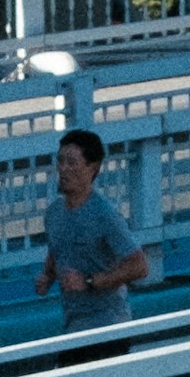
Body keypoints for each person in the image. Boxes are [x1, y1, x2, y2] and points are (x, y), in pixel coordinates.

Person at [38, 125, 155, 330]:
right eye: (61, 161)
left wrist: (89, 281)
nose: (63, 169)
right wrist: (47, 277)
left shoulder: (104, 214)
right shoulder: (54, 213)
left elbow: (139, 266)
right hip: (72, 323)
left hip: (108, 325)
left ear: (93, 168)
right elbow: (57, 250)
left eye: (72, 163)